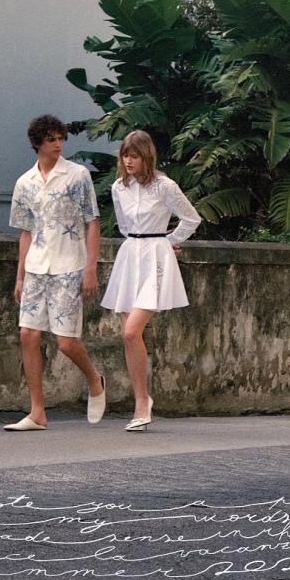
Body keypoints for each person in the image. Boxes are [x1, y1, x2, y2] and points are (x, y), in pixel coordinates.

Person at [4, 114, 105, 431]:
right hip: (36, 268)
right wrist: (20, 276)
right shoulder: (24, 183)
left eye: (60, 138)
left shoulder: (77, 176)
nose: (58, 144)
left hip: (69, 266)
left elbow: (92, 223)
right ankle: (37, 412)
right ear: (37, 143)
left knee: (66, 343)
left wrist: (91, 269)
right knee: (28, 335)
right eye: (51, 139)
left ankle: (94, 379)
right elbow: (26, 232)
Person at [101, 130, 202, 432]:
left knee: (132, 331)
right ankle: (140, 403)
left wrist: (167, 241)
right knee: (127, 336)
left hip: (155, 257)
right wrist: (143, 241)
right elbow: (123, 226)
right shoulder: (119, 187)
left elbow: (191, 218)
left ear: (146, 157)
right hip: (130, 255)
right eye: (125, 155)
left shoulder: (164, 186)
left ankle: (143, 402)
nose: (128, 161)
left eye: (134, 156)